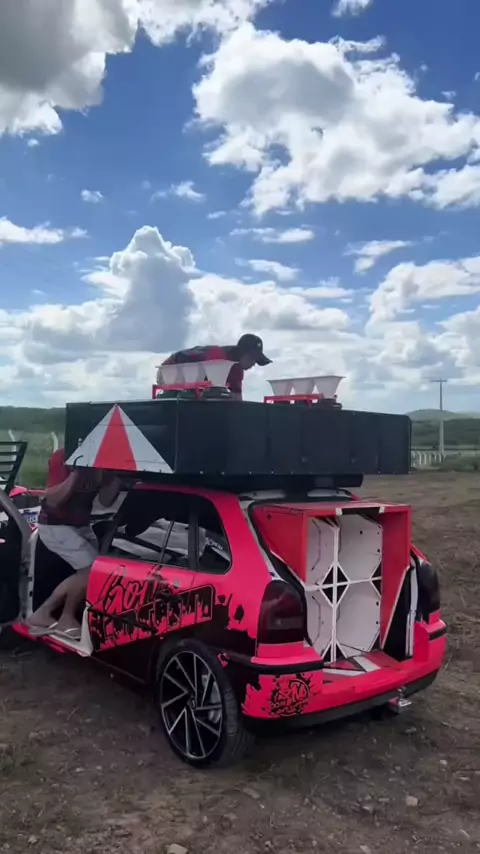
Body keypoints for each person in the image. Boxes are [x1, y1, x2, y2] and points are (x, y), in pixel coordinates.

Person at [27, 449, 121, 640]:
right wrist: (77, 473)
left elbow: (105, 500)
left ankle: (49, 614)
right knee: (91, 568)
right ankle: (63, 617)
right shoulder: (63, 456)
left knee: (96, 570)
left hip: (82, 526)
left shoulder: (103, 457)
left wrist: (117, 475)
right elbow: (53, 501)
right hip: (55, 526)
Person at [162, 333, 272, 401]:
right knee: (189, 397)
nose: (253, 364)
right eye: (252, 359)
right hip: (170, 367)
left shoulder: (237, 370)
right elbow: (204, 394)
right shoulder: (218, 356)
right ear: (241, 353)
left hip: (192, 379)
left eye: (256, 361)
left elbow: (237, 400)